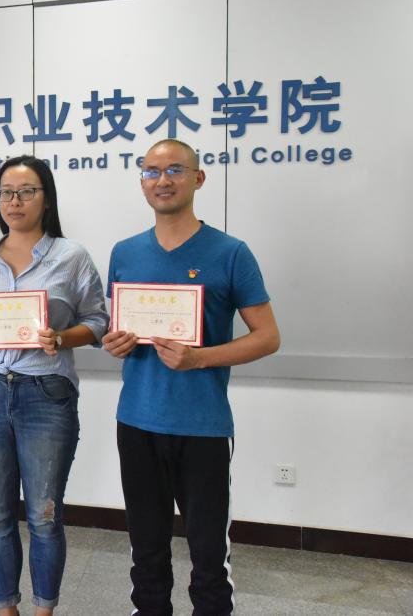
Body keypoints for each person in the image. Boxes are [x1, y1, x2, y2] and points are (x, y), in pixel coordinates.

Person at [102, 139, 280, 615]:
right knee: (146, 551)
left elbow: (267, 337)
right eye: (151, 172)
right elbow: (119, 328)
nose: (162, 180)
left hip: (202, 426)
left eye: (175, 170)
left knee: (208, 556)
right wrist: (115, 343)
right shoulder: (125, 252)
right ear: (142, 183)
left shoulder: (230, 252)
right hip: (137, 422)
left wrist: (198, 358)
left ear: (198, 178)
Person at [0, 155, 109, 615]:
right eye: (6, 192)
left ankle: (44, 609)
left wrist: (61, 337)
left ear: (46, 199)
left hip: (46, 393)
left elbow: (98, 322)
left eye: (26, 192)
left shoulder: (71, 256)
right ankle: (6, 608)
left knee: (44, 514)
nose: (14, 201)